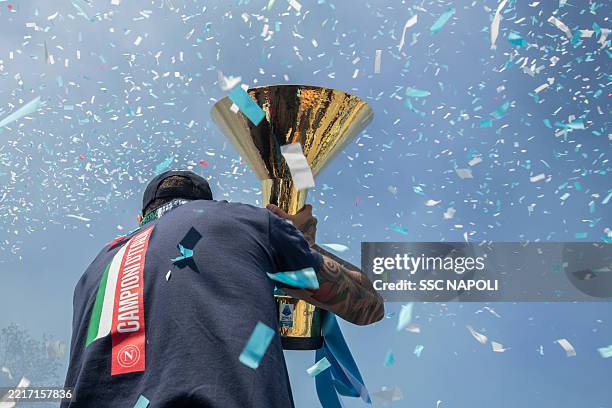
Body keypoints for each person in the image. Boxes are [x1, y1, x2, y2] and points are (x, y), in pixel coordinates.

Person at [62, 170, 384, 408]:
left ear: (141, 217)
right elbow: (368, 304)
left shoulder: (95, 268)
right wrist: (301, 244)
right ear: (208, 203)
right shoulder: (240, 220)